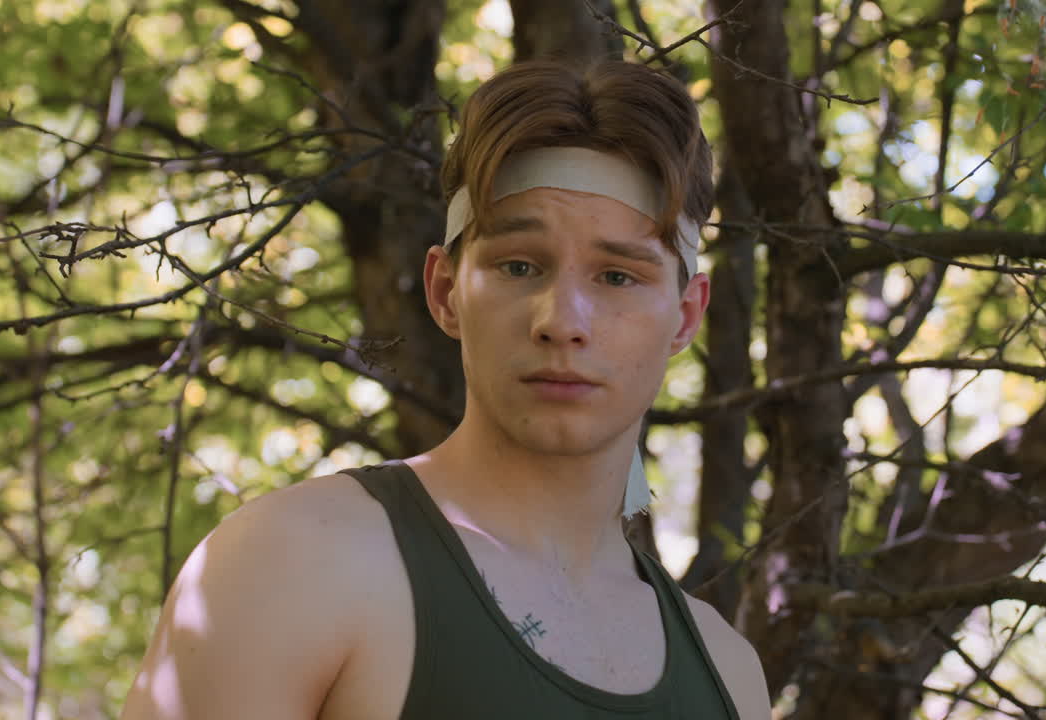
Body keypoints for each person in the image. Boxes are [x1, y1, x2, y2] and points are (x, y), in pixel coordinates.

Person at [120, 59, 772, 719]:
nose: (563, 322)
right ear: (445, 292)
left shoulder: (729, 675)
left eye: (618, 277)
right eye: (519, 266)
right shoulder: (295, 563)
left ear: (686, 315)